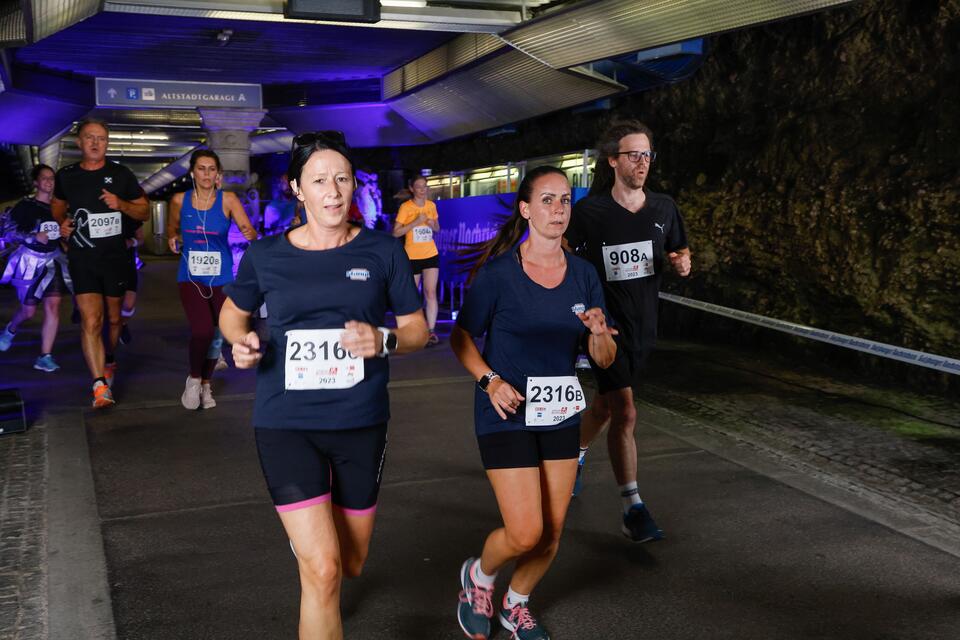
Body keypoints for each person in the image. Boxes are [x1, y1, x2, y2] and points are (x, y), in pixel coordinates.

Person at [219, 131, 429, 639]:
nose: (333, 191)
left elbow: (418, 330)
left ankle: (319, 553)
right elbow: (231, 315)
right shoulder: (266, 256)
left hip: (360, 423)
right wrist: (241, 342)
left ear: (354, 185)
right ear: (297, 188)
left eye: (342, 179)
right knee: (324, 570)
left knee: (351, 562)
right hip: (286, 423)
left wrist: (383, 340)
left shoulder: (383, 251)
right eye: (319, 180)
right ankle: (315, 558)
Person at [452, 166, 617, 640]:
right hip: (505, 409)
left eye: (565, 200)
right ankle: (479, 577)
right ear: (525, 209)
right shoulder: (500, 275)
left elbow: (602, 356)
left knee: (552, 531)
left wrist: (599, 332)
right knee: (525, 532)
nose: (558, 209)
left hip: (559, 410)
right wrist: (490, 380)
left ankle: (515, 603)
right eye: (547, 200)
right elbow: (462, 338)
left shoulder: (584, 275)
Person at [563, 119, 692, 543]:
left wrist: (681, 261)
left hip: (644, 327)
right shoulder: (590, 213)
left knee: (604, 408)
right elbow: (566, 255)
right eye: (634, 155)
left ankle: (575, 456)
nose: (643, 162)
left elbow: (678, 247)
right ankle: (632, 507)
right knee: (626, 412)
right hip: (606, 329)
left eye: (647, 155)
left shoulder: (663, 207)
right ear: (613, 160)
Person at [52, 118, 150, 407]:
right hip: (82, 257)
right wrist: (61, 224)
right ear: (80, 142)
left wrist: (121, 205)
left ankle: (109, 357)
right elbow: (57, 206)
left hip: (115, 258)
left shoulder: (121, 175)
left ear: (107, 143)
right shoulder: (67, 176)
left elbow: (143, 212)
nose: (96, 143)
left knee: (115, 318)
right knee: (91, 319)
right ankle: (99, 385)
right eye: (90, 138)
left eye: (102, 138)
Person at [167, 149, 257, 410]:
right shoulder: (178, 201)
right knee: (202, 330)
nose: (206, 173)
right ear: (192, 172)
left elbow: (246, 227)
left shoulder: (227, 199)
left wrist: (250, 234)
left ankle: (206, 384)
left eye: (211, 169)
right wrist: (174, 237)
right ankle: (194, 380)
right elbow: (173, 228)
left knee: (219, 332)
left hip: (222, 275)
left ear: (218, 174)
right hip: (191, 275)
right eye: (201, 168)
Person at [0, 164, 73, 371]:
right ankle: (10, 330)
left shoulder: (60, 208)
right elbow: (8, 232)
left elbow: (64, 232)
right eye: (45, 178)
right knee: (29, 311)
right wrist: (33, 236)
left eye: (52, 178)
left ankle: (45, 355)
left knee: (53, 305)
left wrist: (67, 235)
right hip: (30, 261)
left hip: (53, 260)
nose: (49, 182)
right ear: (36, 182)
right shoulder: (25, 206)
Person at [393, 175, 440, 345]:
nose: (422, 189)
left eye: (424, 186)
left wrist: (430, 223)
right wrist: (415, 222)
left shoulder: (431, 205)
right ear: (412, 189)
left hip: (430, 254)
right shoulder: (406, 207)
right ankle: (415, 330)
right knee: (413, 295)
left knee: (431, 292)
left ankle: (431, 331)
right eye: (419, 186)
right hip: (412, 256)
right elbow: (396, 232)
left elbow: (437, 228)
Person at [118, 216, 144, 345]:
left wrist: (131, 242)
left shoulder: (130, 215)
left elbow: (141, 239)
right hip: (104, 263)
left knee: (128, 305)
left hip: (127, 264)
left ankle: (122, 324)